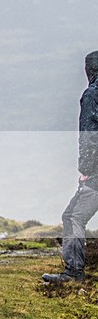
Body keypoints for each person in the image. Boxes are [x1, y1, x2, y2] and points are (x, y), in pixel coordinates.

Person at [43, 51, 98, 284]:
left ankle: (74, 273)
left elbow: (89, 136)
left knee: (73, 216)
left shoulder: (92, 95)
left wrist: (86, 169)